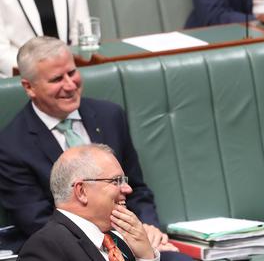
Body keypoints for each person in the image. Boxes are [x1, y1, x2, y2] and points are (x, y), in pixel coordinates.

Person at [0, 37, 189, 260]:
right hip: (70, 250)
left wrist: (147, 228)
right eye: (57, 79)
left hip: (130, 240)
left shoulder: (110, 116)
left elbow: (135, 188)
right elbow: (35, 220)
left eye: (72, 73)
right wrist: (118, 237)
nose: (69, 85)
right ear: (29, 87)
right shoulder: (12, 145)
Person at [19, 144, 158, 261]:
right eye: (116, 181)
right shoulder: (43, 249)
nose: (128, 189)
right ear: (81, 191)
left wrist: (146, 257)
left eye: (124, 181)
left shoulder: (118, 240)